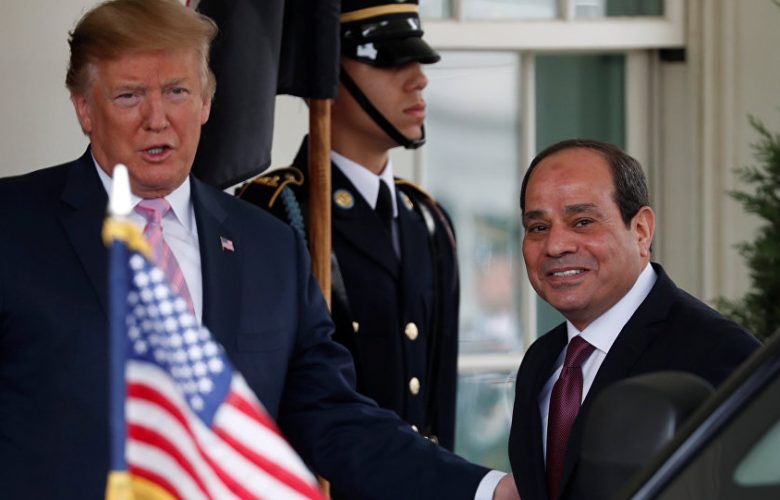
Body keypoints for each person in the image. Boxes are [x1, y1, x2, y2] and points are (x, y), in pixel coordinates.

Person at [0, 1, 519, 498]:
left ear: (207, 101)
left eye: (177, 91)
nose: (157, 118)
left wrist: (485, 490)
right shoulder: (14, 227)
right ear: (85, 108)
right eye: (129, 96)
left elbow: (336, 419)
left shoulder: (270, 247)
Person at [237, 0, 459, 450]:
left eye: (416, 59)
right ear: (324, 72)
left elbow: (438, 403)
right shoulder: (277, 212)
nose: (418, 79)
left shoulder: (428, 219)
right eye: (390, 60)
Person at [508, 138, 761, 500]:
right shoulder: (540, 361)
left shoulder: (722, 356)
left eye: (582, 221)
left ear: (641, 230)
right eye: (538, 227)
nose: (555, 245)